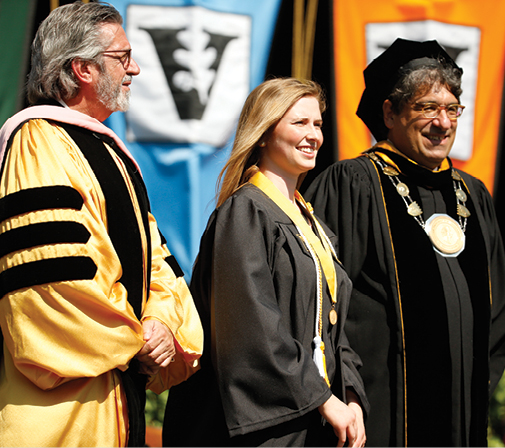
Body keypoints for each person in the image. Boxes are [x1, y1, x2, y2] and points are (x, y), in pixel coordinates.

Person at [0, 2, 203, 446]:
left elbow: (159, 266)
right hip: (63, 416)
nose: (135, 69)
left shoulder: (111, 154)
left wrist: (164, 325)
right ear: (83, 69)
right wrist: (137, 340)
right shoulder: (37, 143)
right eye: (122, 57)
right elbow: (51, 282)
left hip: (114, 397)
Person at [305, 38, 505, 447]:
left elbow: (498, 308)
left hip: (462, 416)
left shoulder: (473, 195)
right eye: (427, 108)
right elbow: (317, 302)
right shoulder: (352, 186)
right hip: (378, 413)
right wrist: (343, 391)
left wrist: (476, 381)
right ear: (390, 113)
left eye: (452, 109)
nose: (443, 123)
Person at [162, 77, 369, 447]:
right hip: (269, 425)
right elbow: (252, 326)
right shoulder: (245, 213)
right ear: (262, 134)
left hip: (315, 417)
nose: (313, 135)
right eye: (299, 123)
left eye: (318, 124)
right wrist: (322, 399)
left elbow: (334, 325)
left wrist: (350, 394)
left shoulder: (312, 223)